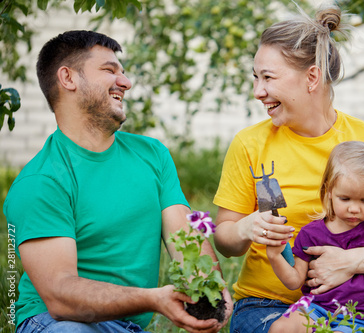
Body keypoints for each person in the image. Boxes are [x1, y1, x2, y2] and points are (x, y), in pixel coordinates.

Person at [212, 3, 364, 332]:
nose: (258, 92)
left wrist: (353, 261)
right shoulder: (250, 144)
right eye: (255, 78)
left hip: (356, 308)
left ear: (312, 77)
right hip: (267, 305)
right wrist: (246, 228)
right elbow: (225, 239)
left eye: (268, 78)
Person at [3, 30, 232, 333]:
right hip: (55, 322)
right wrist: (154, 299)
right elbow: (60, 296)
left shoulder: (152, 155)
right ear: (68, 78)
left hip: (126, 326)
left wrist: (209, 291)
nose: (125, 82)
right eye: (109, 70)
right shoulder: (41, 181)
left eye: (122, 72)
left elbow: (185, 241)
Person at [267, 141, 364, 332]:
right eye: (345, 199)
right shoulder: (311, 233)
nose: (354, 208)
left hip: (361, 316)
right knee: (281, 327)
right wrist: (275, 256)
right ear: (330, 190)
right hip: (317, 308)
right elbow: (294, 281)